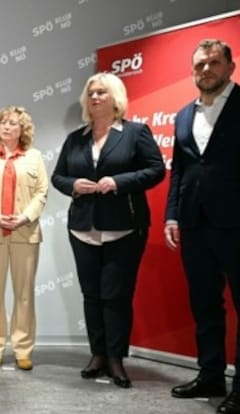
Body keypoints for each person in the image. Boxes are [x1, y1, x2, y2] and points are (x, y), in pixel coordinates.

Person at [165, 39, 240, 414]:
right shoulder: (183, 115)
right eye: (200, 64)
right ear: (193, 70)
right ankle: (210, 376)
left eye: (214, 62)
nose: (206, 70)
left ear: (230, 67)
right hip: (195, 224)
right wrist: (172, 215)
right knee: (205, 305)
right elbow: (180, 172)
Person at [51, 72, 165, 388]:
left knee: (116, 295)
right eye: (91, 93)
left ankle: (116, 358)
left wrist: (119, 182)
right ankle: (97, 354)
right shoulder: (76, 138)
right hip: (82, 228)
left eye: (101, 92)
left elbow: (156, 170)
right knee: (92, 295)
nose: (95, 97)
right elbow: (57, 177)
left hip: (124, 228)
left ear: (115, 97)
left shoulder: (135, 133)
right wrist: (74, 184)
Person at [0, 106, 48, 371]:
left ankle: (23, 349)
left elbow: (42, 192)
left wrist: (26, 217)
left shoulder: (35, 157)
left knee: (24, 295)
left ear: (22, 129)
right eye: (3, 122)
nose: (6, 126)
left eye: (13, 123)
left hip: (25, 234)